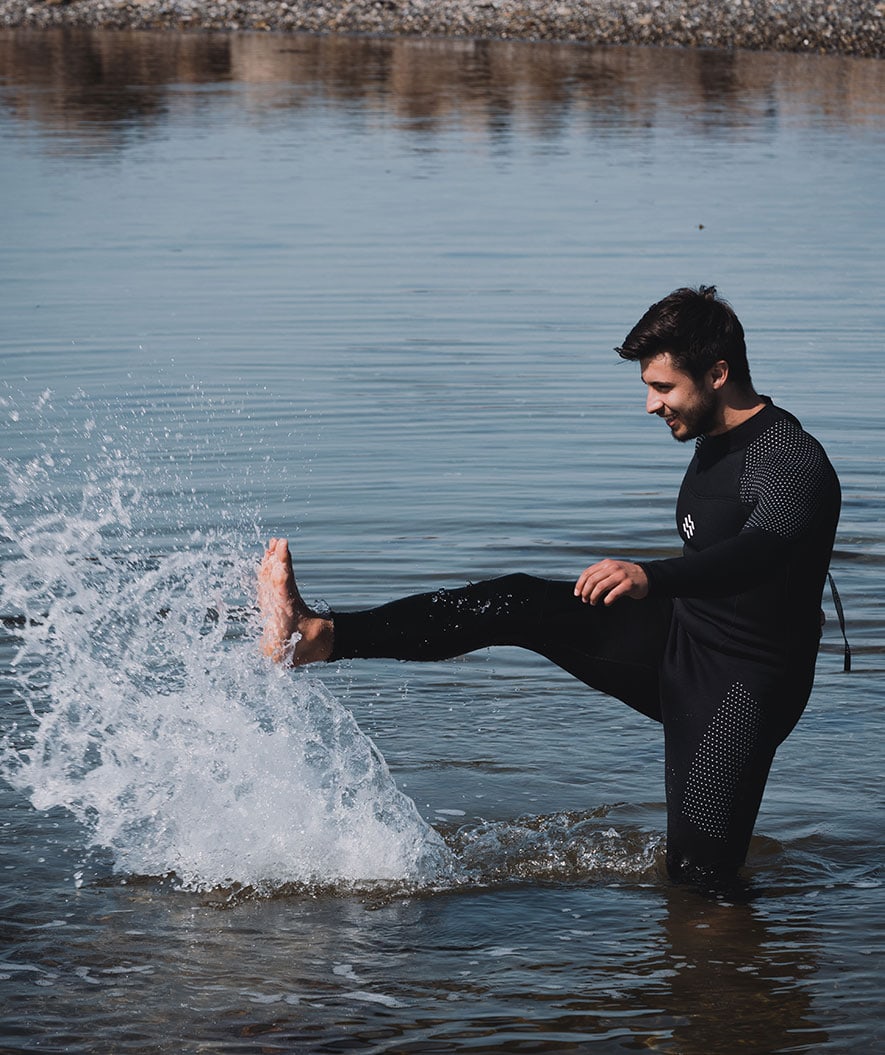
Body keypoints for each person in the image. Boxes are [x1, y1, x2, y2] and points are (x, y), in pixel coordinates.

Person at [258, 286, 841, 891]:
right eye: (647, 386)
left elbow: (760, 554)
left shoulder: (791, 458)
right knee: (516, 600)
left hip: (741, 684)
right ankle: (320, 634)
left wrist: (651, 575)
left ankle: (740, 979)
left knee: (700, 884)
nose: (649, 404)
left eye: (663, 388)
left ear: (718, 373)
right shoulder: (713, 441)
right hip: (678, 636)